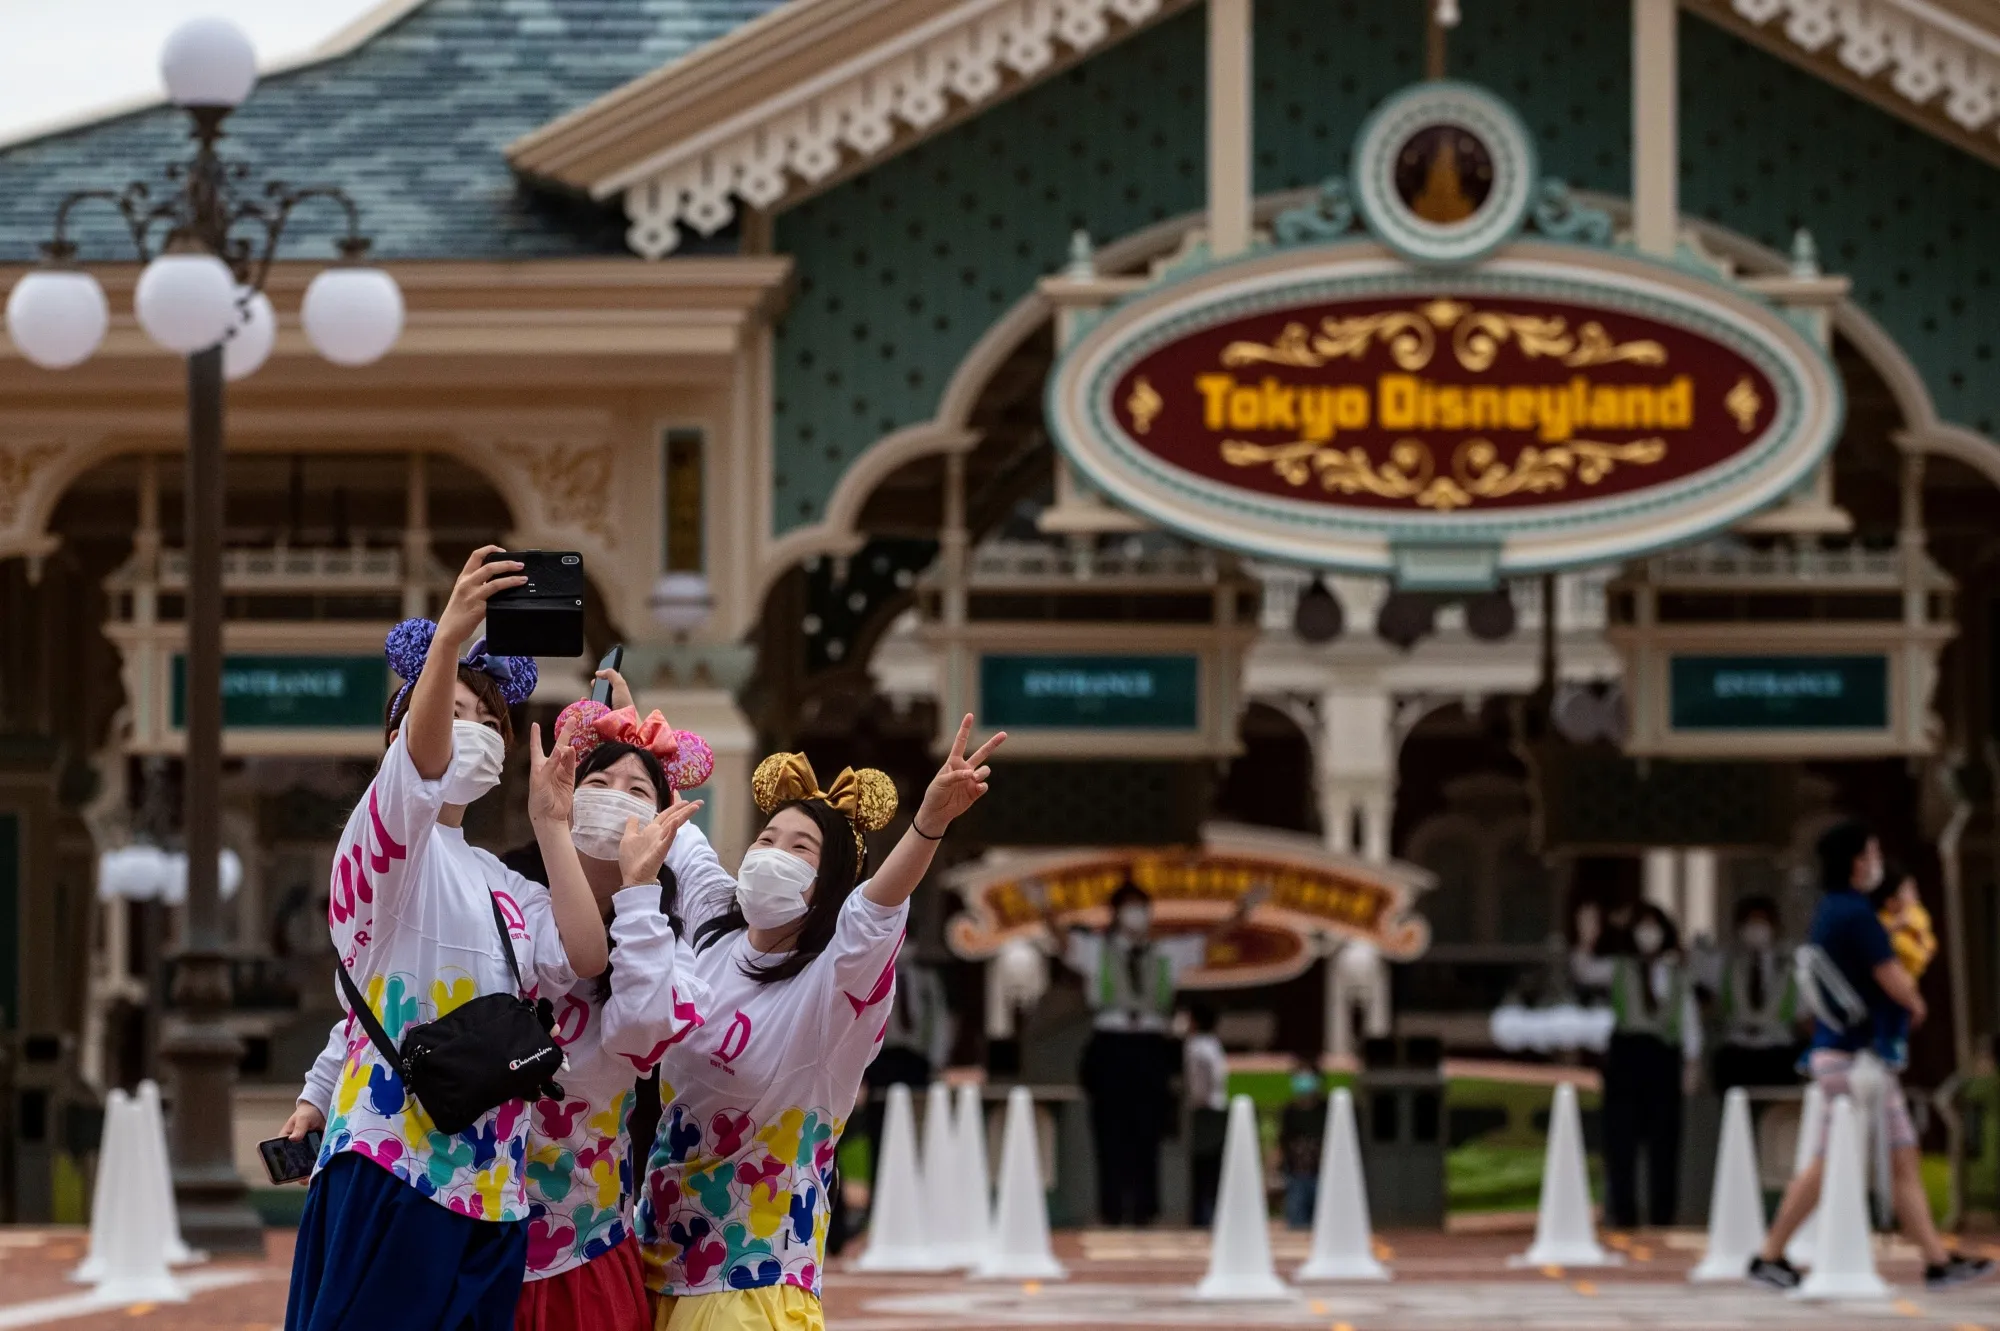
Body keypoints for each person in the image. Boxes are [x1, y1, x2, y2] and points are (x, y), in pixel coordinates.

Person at [285, 692, 715, 1331]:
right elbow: (399, 987)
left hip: (576, 1250)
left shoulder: (664, 944)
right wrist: (318, 1093)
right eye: (597, 781)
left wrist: (640, 892)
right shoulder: (509, 891)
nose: (616, 798)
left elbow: (638, 1030)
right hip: (465, 1205)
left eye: (637, 791)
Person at [285, 548, 615, 1331]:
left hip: (494, 1188)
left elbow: (582, 954)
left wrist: (551, 825)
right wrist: (448, 643)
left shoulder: (504, 882)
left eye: (487, 720)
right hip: (392, 1167)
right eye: (451, 711)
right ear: (400, 732)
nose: (470, 731)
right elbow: (421, 764)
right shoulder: (389, 837)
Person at [635, 714, 1003, 1331]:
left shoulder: (837, 985)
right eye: (767, 840)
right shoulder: (713, 930)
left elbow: (875, 910)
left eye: (800, 848)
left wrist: (928, 824)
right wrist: (635, 734)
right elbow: (678, 826)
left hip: (751, 1286)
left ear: (827, 882)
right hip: (648, 1265)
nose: (773, 855)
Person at [1748, 821, 1993, 1291]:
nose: (1877, 860)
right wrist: (1916, 1000)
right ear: (1858, 861)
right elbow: (1891, 977)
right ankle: (1769, 1254)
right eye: (1873, 851)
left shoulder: (1835, 911)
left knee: (1901, 1156)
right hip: (1854, 1060)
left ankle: (1937, 1260)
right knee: (1830, 1160)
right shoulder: (1857, 915)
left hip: (1853, 1059)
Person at [1063, 882, 1210, 1227]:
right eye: (1130, 907)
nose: (1138, 915)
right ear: (1115, 913)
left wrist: (1242, 913)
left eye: (1142, 907)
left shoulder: (1165, 953)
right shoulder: (1096, 950)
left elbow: (1207, 944)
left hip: (1149, 1044)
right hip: (1110, 1043)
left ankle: (1146, 1209)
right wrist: (1043, 909)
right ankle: (1111, 1208)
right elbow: (1063, 942)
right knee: (1108, 1131)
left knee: (1148, 1130)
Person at [1585, 902, 1699, 1229]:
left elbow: (1689, 1020)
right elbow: (1584, 969)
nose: (1648, 934)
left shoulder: (1677, 972)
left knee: (1665, 1140)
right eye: (1641, 926)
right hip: (1627, 1055)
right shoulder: (1619, 968)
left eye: (1654, 926)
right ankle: (1623, 1213)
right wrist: (1596, 933)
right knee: (1621, 1137)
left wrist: (1691, 1063)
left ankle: (1663, 1214)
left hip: (1664, 1057)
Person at [1711, 896, 1803, 1092]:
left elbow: (1804, 1015)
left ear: (1775, 926)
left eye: (1762, 921)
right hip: (1736, 1054)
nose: (1756, 928)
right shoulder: (1726, 963)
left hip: (1777, 1053)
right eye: (1750, 922)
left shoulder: (1790, 965)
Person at [1872, 861, 1935, 1072]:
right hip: (1888, 988)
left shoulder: (1916, 917)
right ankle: (1886, 1049)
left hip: (1908, 983)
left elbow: (1927, 943)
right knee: (1886, 1019)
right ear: (1890, 901)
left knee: (1899, 1022)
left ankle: (1895, 1050)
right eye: (1909, 890)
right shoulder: (1881, 922)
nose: (1914, 896)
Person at [1181, 1003, 1228, 1227]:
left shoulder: (1197, 1045)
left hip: (1207, 1109)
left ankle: (1203, 1218)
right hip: (1214, 1106)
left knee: (1205, 1165)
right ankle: (1208, 1215)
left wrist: (1201, 1098)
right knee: (1211, 1166)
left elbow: (1202, 1073)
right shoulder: (1214, 1044)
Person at [1277, 1065, 1326, 1229]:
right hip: (1296, 1176)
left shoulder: (1325, 1111)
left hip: (1320, 1176)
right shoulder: (1289, 1112)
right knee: (1297, 1224)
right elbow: (1281, 1143)